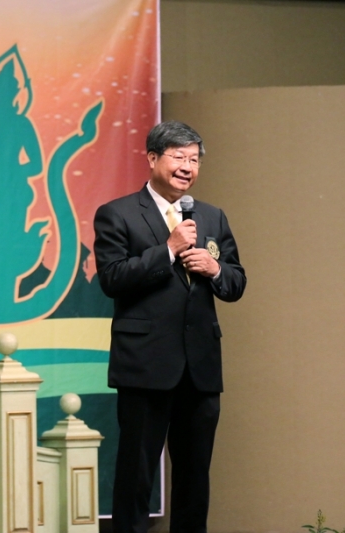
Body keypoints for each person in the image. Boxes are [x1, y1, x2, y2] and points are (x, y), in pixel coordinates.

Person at [94, 121, 247, 533]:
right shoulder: (117, 214)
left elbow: (236, 283)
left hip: (200, 368)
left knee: (195, 476)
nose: (187, 167)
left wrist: (215, 269)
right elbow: (112, 279)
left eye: (194, 159)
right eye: (178, 157)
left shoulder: (212, 216)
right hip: (145, 365)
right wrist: (168, 250)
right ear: (152, 158)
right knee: (136, 475)